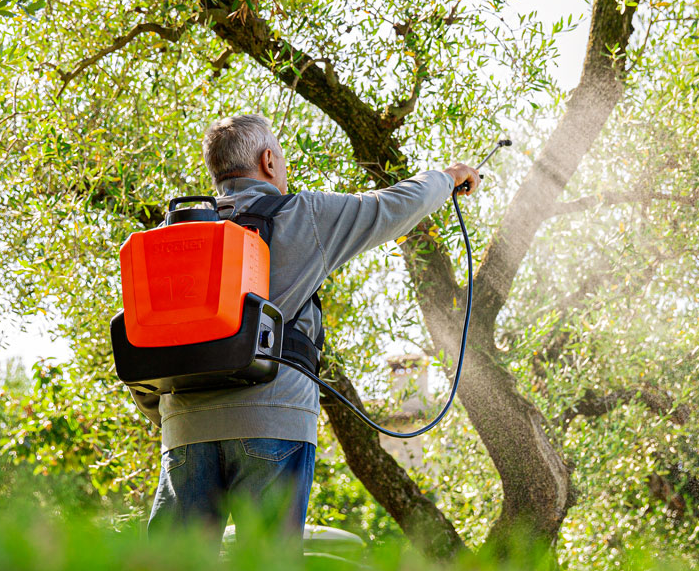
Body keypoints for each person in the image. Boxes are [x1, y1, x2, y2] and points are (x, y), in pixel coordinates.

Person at [131, 114, 480, 542]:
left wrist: (172, 418)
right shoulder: (304, 214)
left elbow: (142, 340)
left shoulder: (171, 235)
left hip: (185, 434)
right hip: (274, 424)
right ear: (268, 161)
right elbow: (394, 206)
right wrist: (447, 178)